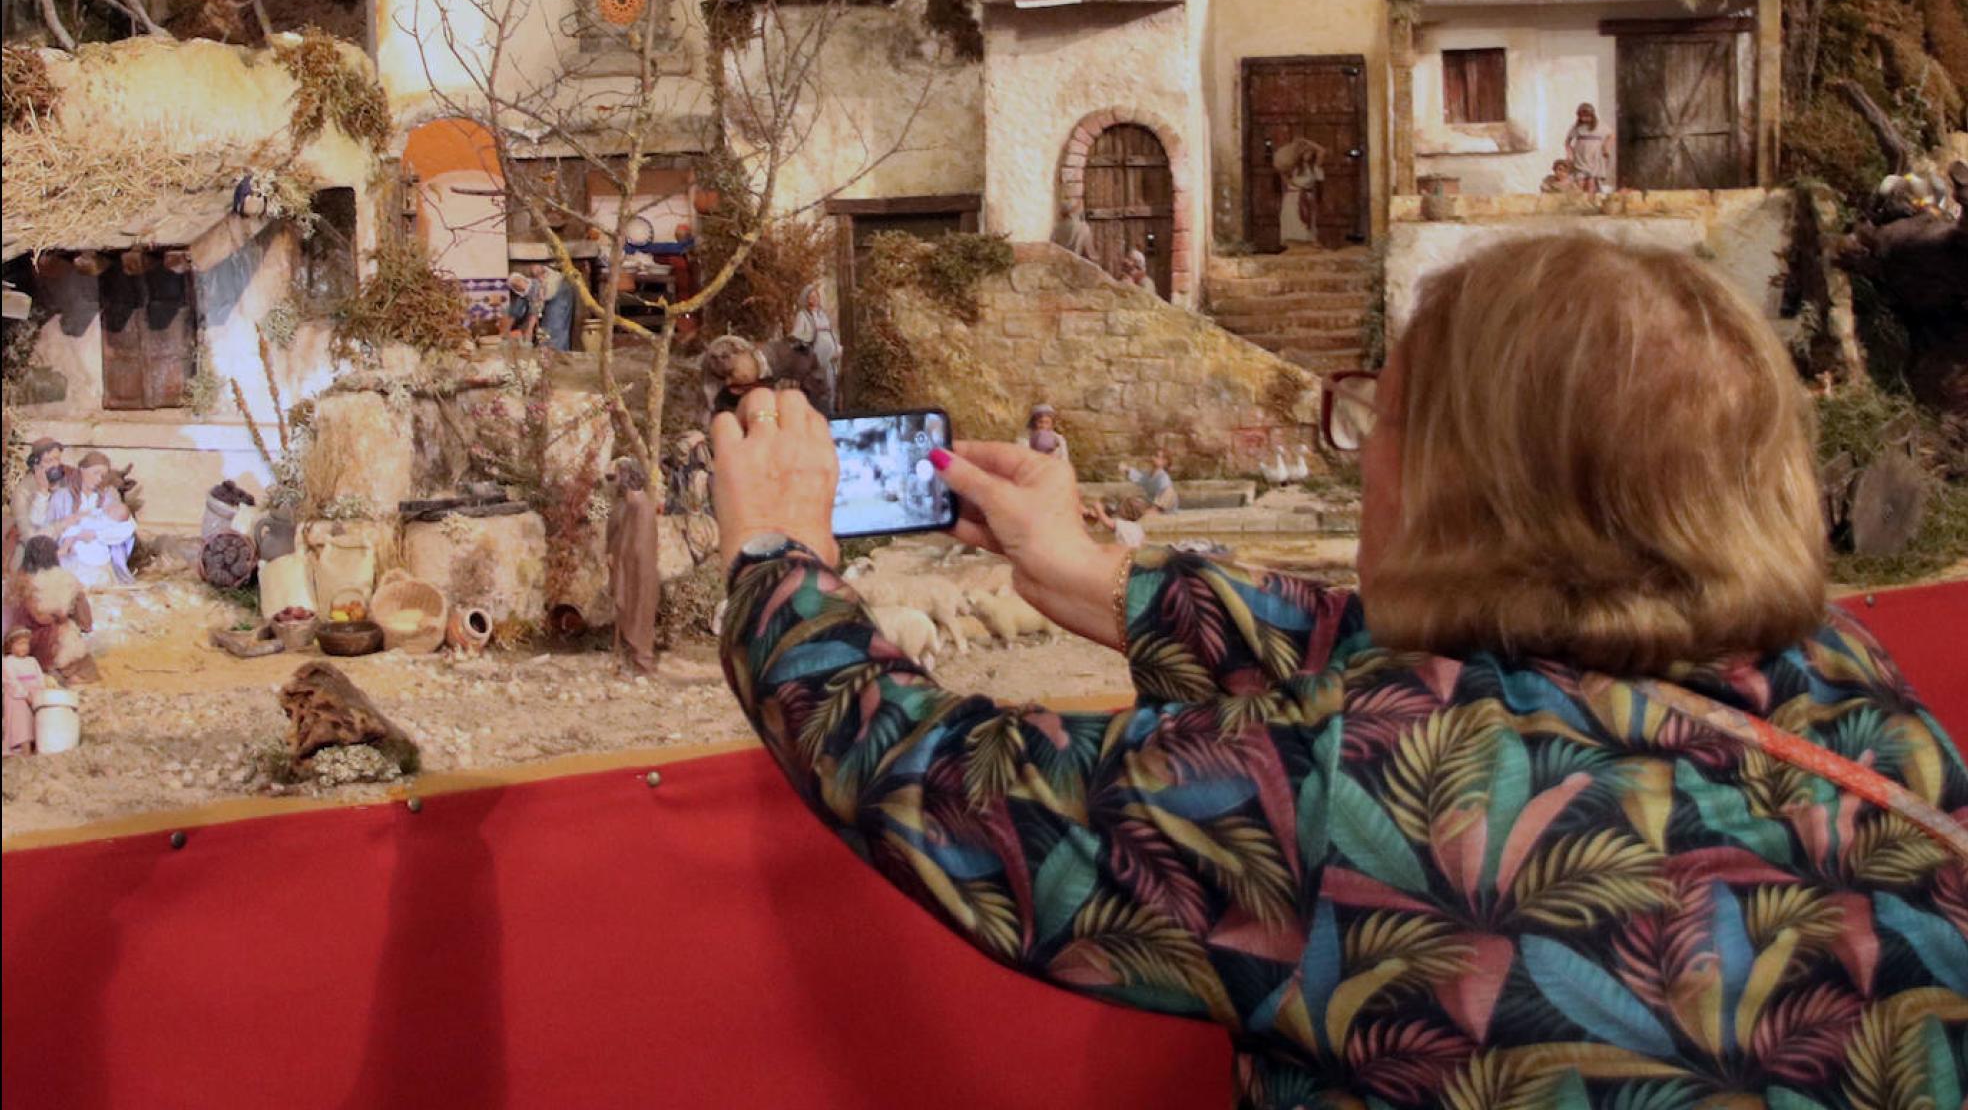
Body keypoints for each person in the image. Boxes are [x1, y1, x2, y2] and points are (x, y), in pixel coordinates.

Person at [706, 233, 1967, 1107]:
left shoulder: (1364, 796)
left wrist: (777, 559)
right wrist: (1103, 579)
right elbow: (1512, 679)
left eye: (1378, 419)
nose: (1361, 460)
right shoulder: (1855, 693)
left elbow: (929, 775)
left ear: (1465, 486)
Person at [14, 535, 98, 685]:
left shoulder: (20, 580)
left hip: (25, 641)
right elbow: (85, 620)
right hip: (55, 639)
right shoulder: (66, 579)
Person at [606, 457, 663, 676]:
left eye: (618, 475)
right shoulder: (626, 504)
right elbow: (619, 536)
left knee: (638, 614)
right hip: (628, 569)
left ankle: (640, 663)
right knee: (628, 612)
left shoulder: (641, 506)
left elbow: (638, 546)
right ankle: (629, 661)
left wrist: (620, 557)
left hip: (638, 573)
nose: (615, 479)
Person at [58, 452, 136, 587]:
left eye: (103, 475)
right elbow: (50, 526)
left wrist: (97, 534)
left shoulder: (107, 497)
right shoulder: (63, 496)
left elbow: (127, 527)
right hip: (70, 559)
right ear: (82, 470)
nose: (99, 479)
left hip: (99, 560)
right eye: (95, 473)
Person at [9, 438, 73, 569]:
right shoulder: (23, 491)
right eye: (49, 461)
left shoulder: (65, 483)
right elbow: (29, 537)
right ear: (35, 464)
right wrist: (43, 494)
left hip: (65, 550)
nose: (56, 465)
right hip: (33, 557)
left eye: (58, 459)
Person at [787, 284, 842, 414]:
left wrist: (837, 348)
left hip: (829, 361)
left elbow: (831, 334)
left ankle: (831, 415)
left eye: (816, 296)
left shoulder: (823, 315)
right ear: (806, 299)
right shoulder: (803, 316)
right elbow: (796, 337)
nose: (814, 299)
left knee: (830, 389)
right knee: (816, 391)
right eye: (811, 297)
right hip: (814, 362)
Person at [2, 629, 43, 755]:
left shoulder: (32, 661)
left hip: (33, 694)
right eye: (19, 644)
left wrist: (39, 692)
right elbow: (11, 681)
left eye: (26, 643)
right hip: (17, 696)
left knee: (39, 717)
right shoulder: (8, 661)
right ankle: (24, 747)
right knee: (21, 718)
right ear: (10, 646)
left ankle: (38, 745)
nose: (24, 647)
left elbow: (40, 677)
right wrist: (25, 695)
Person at [1565, 101, 1613, 193]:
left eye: (1587, 116)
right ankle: (1581, 202)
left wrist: (1606, 147)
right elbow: (1567, 141)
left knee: (1591, 181)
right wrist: (1569, 153)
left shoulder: (1600, 125)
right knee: (1580, 181)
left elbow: (1611, 135)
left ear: (1592, 115)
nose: (1584, 119)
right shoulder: (1576, 127)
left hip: (1594, 156)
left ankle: (1590, 202)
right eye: (1581, 116)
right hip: (1580, 156)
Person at [532, 262, 576, 352]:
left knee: (555, 331)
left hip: (558, 302)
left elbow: (547, 295)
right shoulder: (547, 280)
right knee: (552, 331)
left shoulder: (553, 280)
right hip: (555, 302)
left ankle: (556, 355)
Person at [501, 272, 537, 343]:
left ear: (522, 280)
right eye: (515, 286)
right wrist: (506, 330)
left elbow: (535, 311)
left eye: (518, 282)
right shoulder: (523, 294)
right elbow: (515, 312)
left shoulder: (535, 287)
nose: (518, 286)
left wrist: (529, 330)